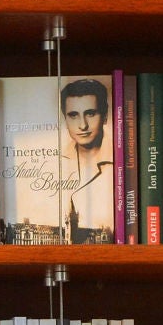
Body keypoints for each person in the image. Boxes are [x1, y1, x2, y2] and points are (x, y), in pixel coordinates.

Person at [59, 77, 113, 242]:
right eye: (73, 115)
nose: (82, 125)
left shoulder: (123, 160)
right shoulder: (55, 160)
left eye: (90, 113)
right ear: (65, 120)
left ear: (105, 116)